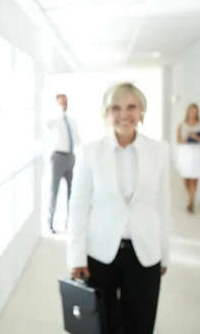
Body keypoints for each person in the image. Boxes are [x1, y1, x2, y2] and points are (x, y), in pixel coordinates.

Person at [67, 82, 171, 334]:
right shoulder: (90, 152)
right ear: (106, 113)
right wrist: (76, 257)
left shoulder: (159, 150)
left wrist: (164, 254)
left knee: (141, 323)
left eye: (131, 106)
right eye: (116, 107)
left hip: (144, 253)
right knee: (102, 324)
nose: (124, 114)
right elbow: (78, 206)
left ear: (142, 111)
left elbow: (163, 206)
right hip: (99, 253)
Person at [47, 93, 80, 233]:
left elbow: (77, 139)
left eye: (65, 102)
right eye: (61, 102)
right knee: (54, 191)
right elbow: (47, 125)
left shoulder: (71, 121)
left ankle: (70, 223)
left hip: (71, 157)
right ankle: (50, 222)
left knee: (72, 193)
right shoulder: (55, 120)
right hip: (58, 157)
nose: (64, 104)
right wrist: (56, 111)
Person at [176, 103, 200, 213]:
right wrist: (186, 138)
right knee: (186, 178)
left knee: (195, 177)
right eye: (191, 111)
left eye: (195, 111)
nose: (193, 113)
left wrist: (195, 136)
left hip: (197, 153)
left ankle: (191, 201)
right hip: (185, 152)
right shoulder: (181, 125)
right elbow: (178, 140)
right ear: (187, 112)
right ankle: (190, 196)